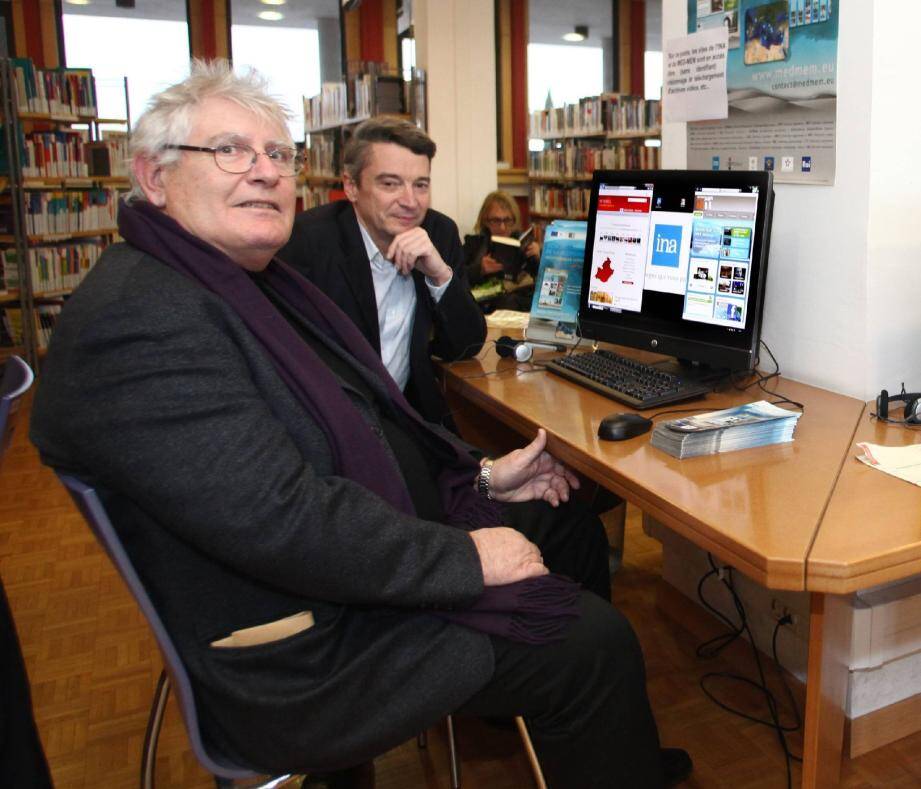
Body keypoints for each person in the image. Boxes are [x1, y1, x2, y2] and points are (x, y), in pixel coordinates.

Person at [29, 62, 690, 789]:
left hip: (322, 567)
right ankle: (575, 713)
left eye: (277, 155)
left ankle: (555, 717)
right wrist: (465, 560)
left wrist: (476, 476)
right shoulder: (143, 319)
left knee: (559, 519)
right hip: (302, 645)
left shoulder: (228, 283)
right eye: (230, 151)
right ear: (153, 179)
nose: (264, 173)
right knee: (595, 642)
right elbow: (281, 518)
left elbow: (357, 423)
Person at [277, 117, 485, 430]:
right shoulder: (307, 242)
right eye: (390, 184)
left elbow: (464, 346)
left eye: (421, 185)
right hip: (331, 422)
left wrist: (439, 275)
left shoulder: (439, 233)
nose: (410, 202)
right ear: (351, 186)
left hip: (411, 419)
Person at [464, 190, 541, 312]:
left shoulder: (522, 243)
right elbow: (455, 280)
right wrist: (479, 269)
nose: (502, 228)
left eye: (507, 220)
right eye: (495, 221)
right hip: (485, 311)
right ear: (485, 221)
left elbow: (544, 283)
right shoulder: (474, 245)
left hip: (519, 311)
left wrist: (539, 256)